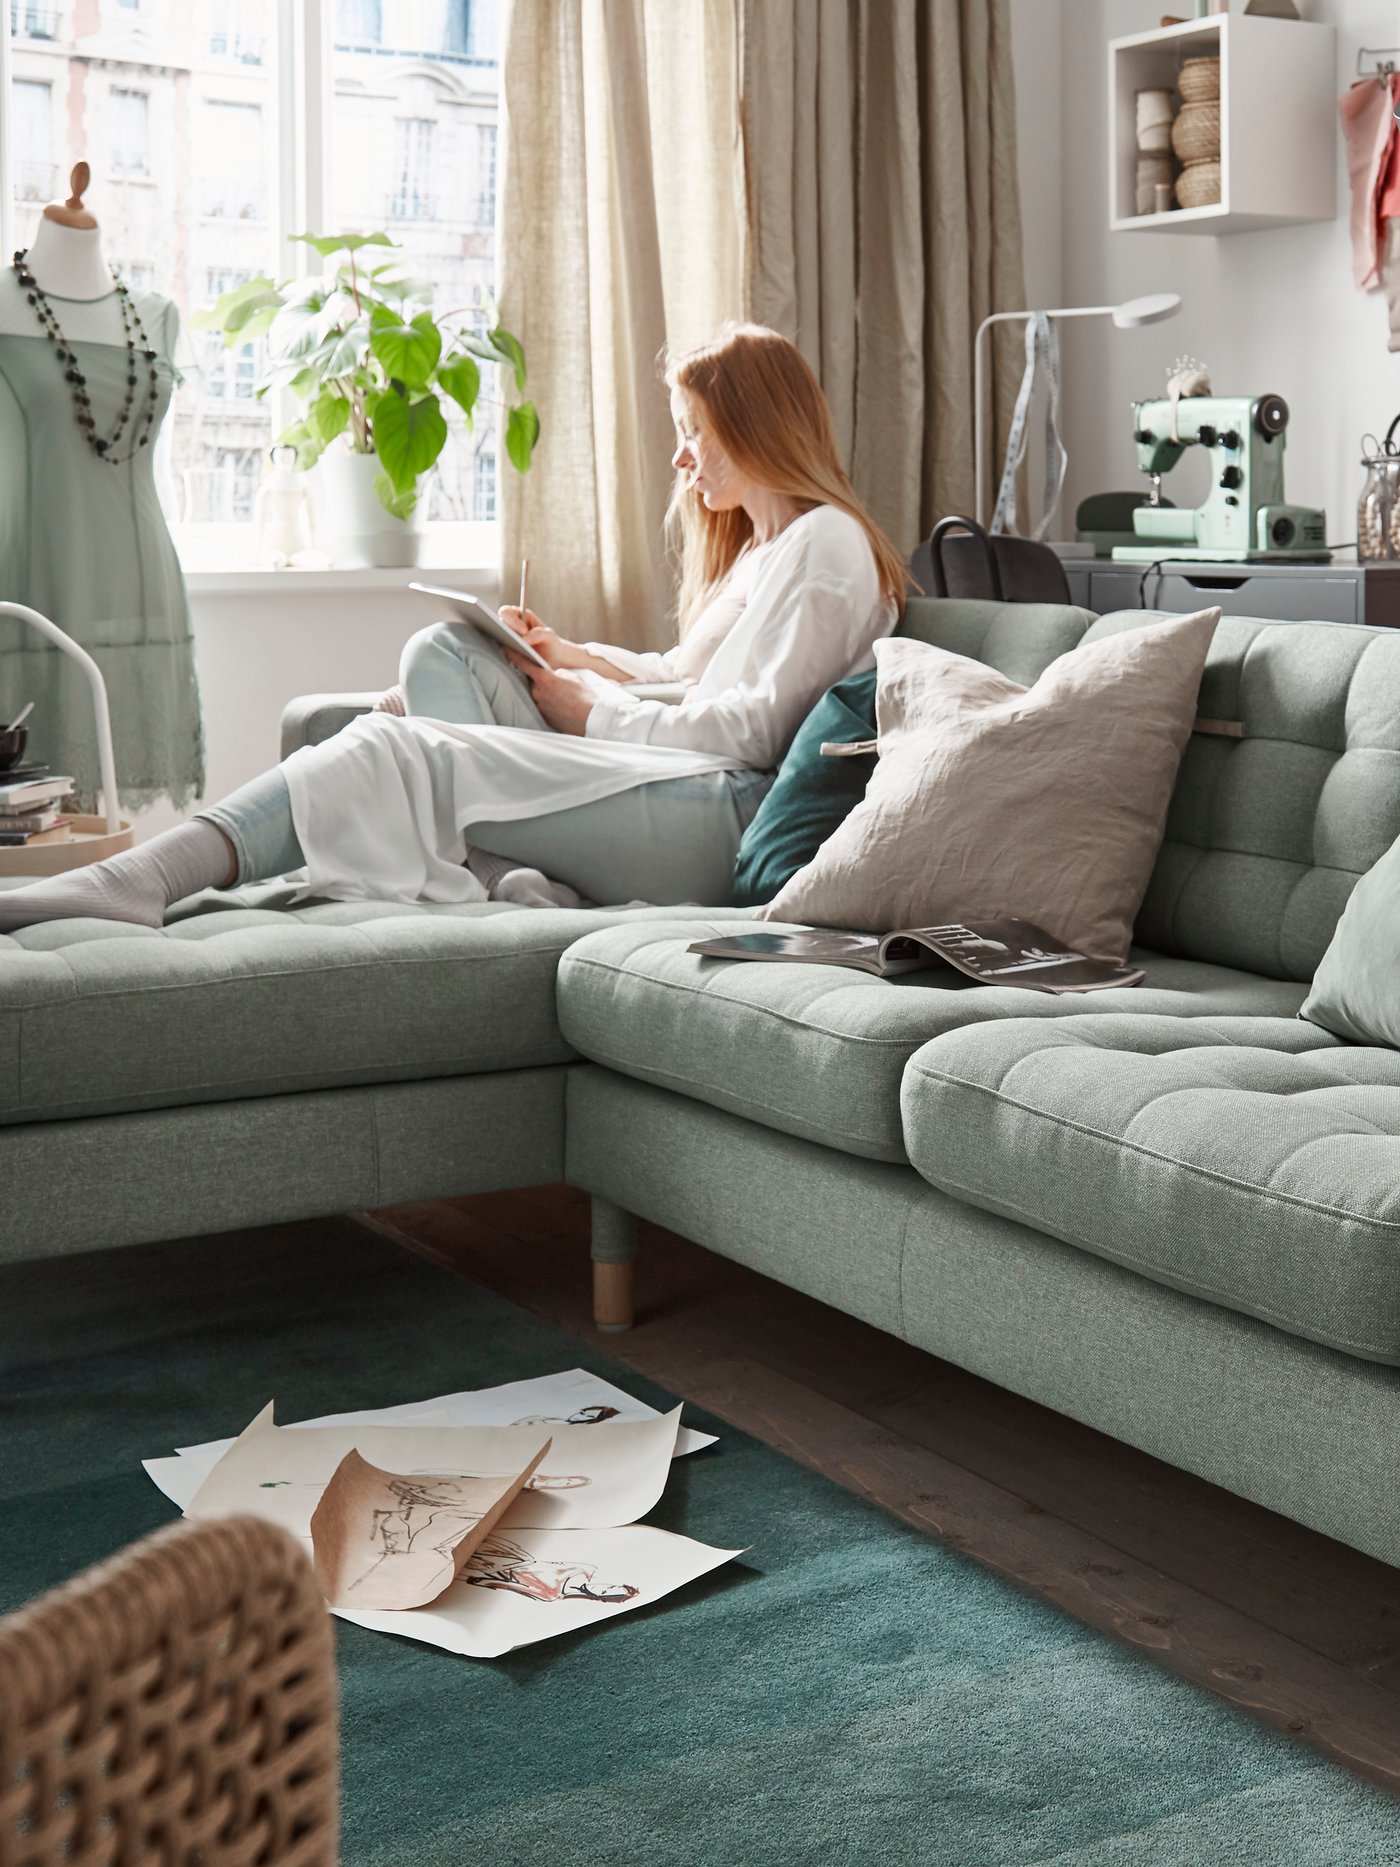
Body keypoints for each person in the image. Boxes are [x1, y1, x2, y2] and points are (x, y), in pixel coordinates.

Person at [0, 323, 907, 934]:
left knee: (402, 749)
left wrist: (590, 712)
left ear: (755, 426)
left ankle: (141, 881)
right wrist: (579, 659)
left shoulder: (831, 546)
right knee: (448, 650)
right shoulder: (764, 549)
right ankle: (509, 874)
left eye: (694, 431)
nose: (680, 457)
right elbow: (692, 674)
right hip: (675, 770)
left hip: (721, 815)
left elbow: (755, 731)